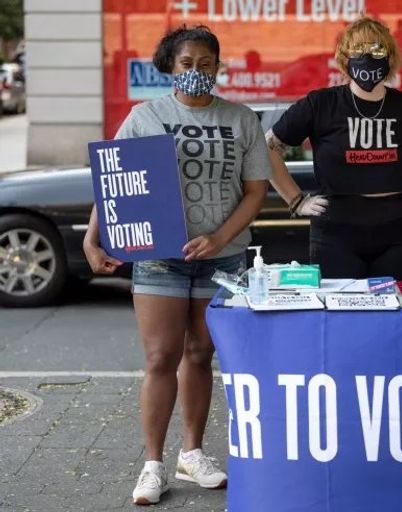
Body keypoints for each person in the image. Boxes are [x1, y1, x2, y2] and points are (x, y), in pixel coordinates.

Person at [82, 25, 272, 505]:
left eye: (206, 63)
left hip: (222, 258)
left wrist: (219, 238)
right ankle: (152, 464)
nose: (197, 72)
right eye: (187, 63)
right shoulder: (145, 117)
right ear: (169, 67)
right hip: (159, 256)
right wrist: (92, 236)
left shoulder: (241, 119)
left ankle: (192, 454)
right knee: (160, 358)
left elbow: (255, 194)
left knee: (200, 355)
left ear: (218, 66)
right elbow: (115, 181)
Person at [267, 16, 402, 281]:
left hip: (401, 230)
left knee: (400, 314)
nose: (367, 56)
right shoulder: (320, 104)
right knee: (343, 316)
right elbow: (267, 148)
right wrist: (296, 200)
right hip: (337, 230)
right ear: (344, 57)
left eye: (377, 49)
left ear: (391, 56)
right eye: (358, 50)